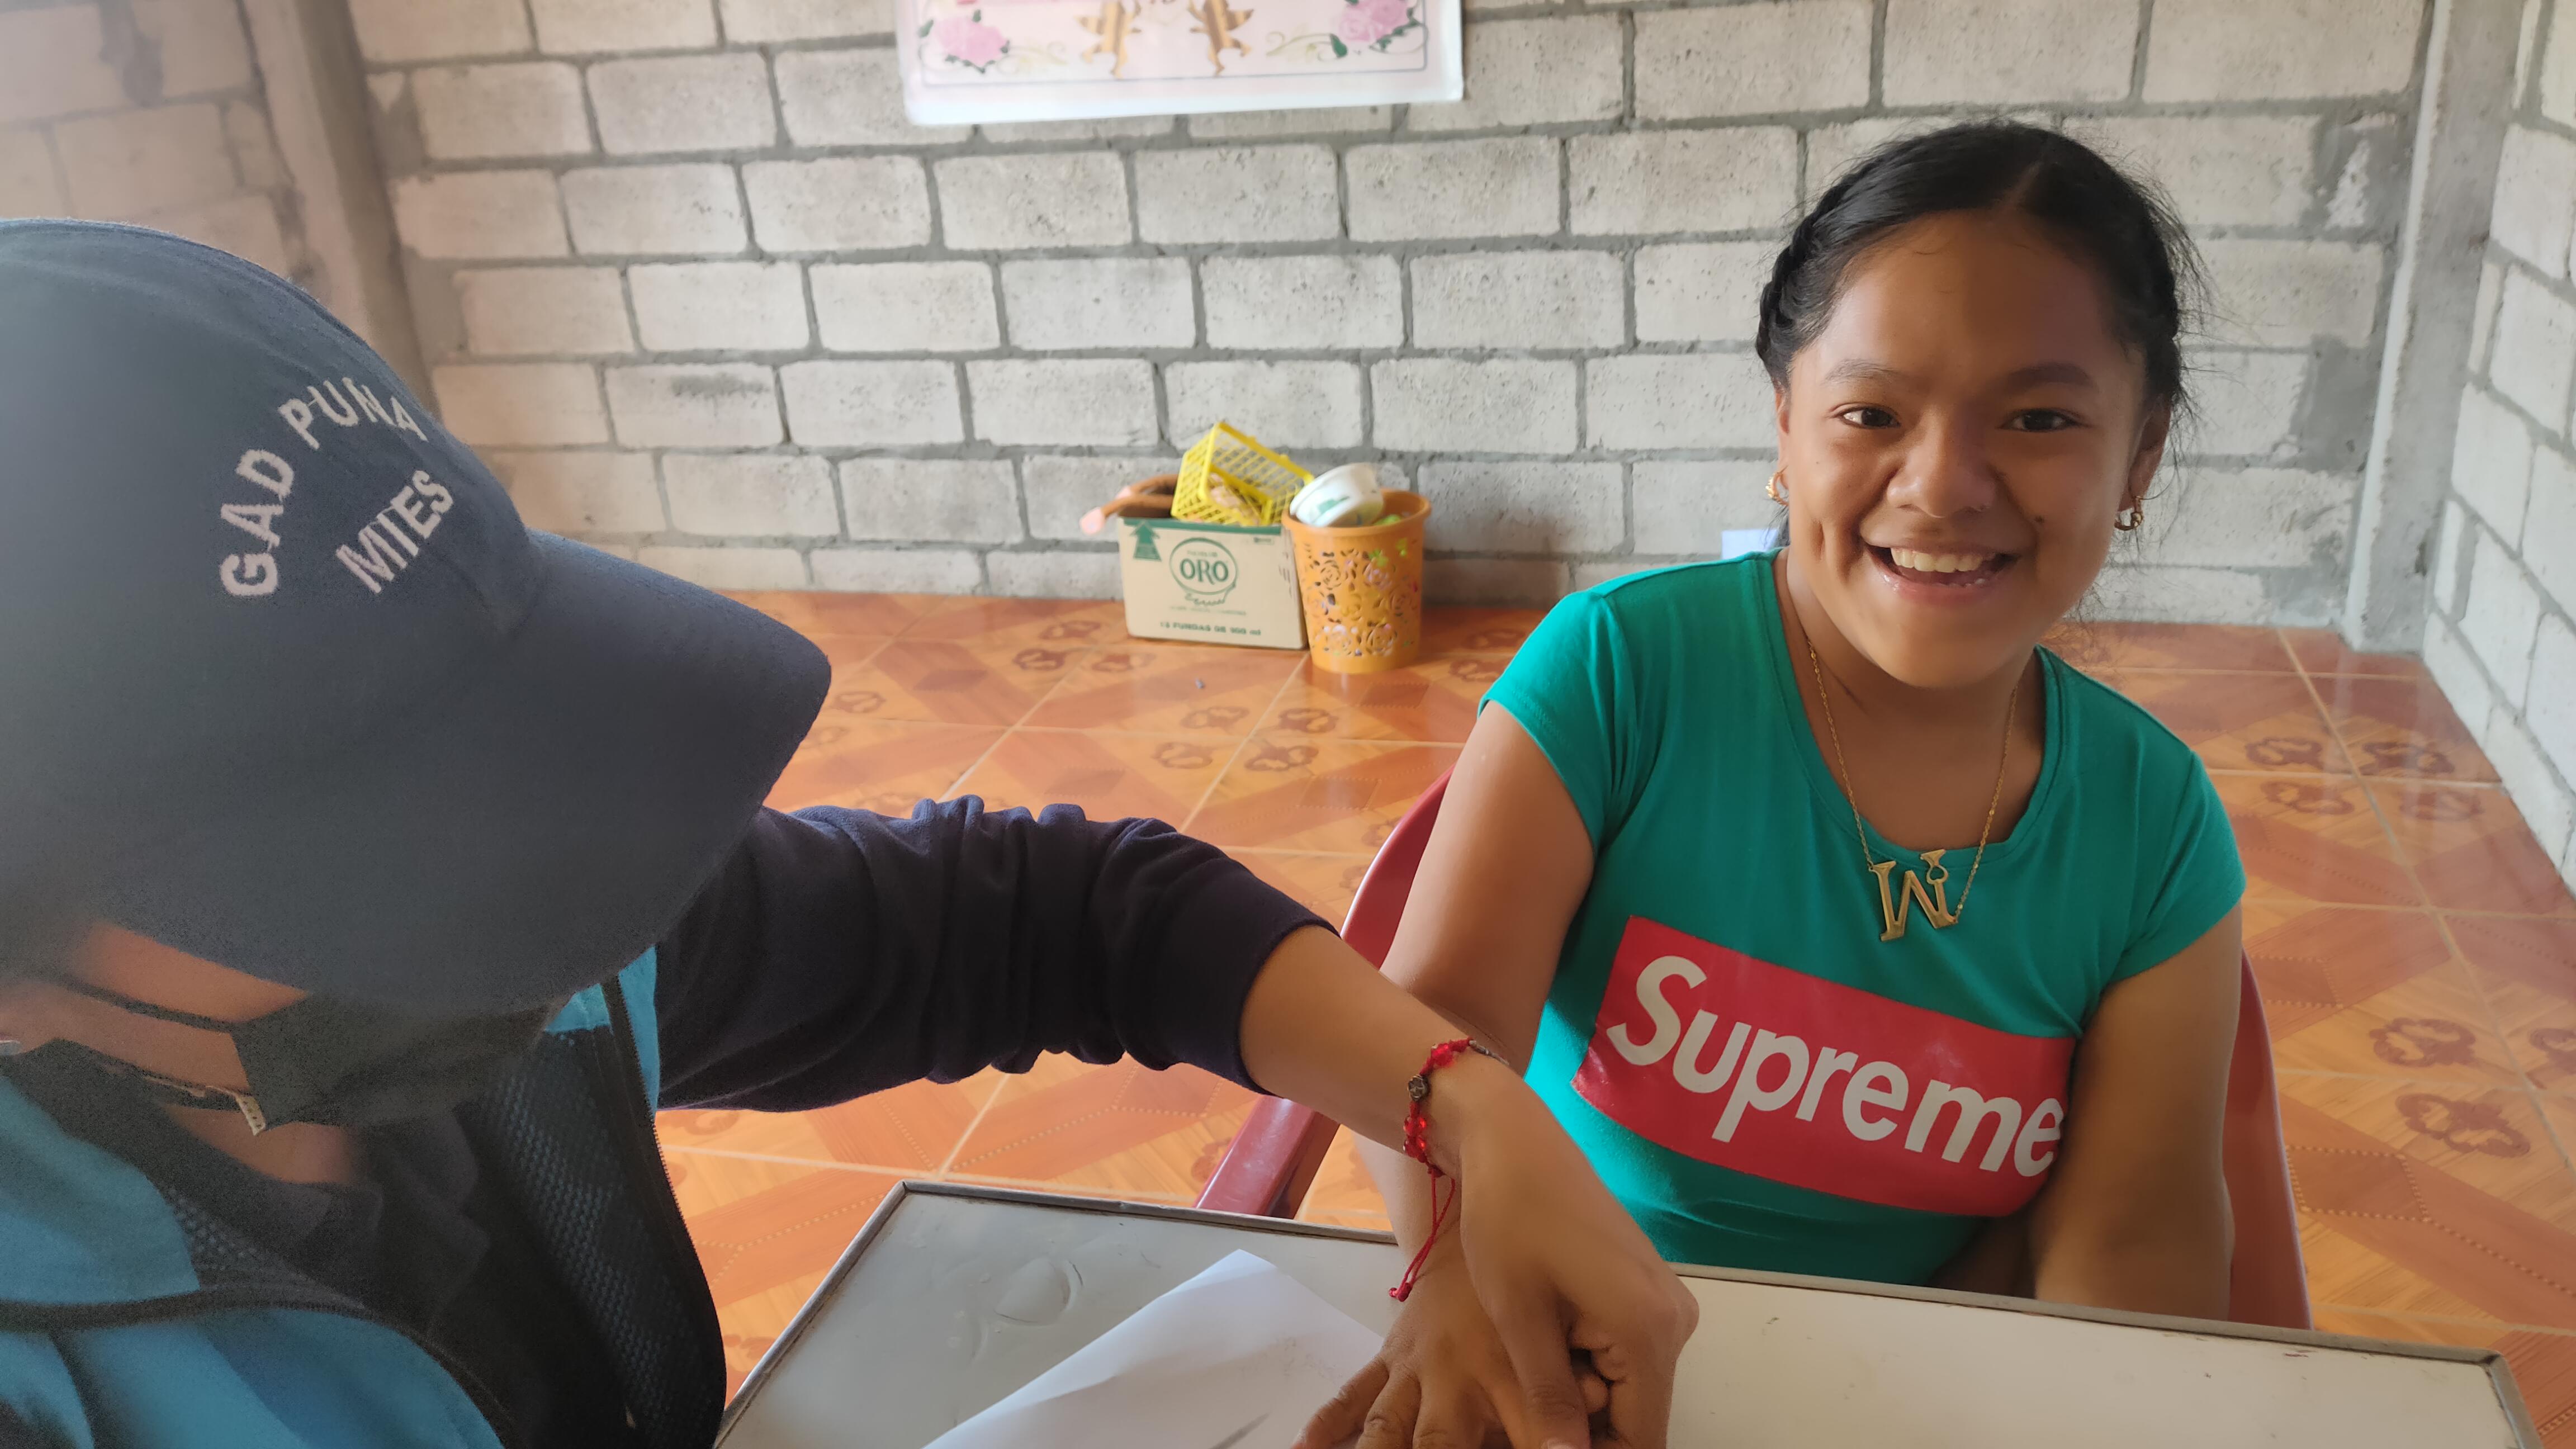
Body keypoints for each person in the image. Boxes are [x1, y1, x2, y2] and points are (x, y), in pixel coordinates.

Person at [0, 220, 1694, 1449]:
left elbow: (1056, 914)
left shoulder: (556, 941)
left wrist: (1461, 1102)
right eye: (371, 863)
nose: (524, 895)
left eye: (501, 755)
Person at [1302, 121, 2248, 1449]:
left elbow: (2132, 1247)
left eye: (2040, 419)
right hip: (1561, 1339)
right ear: (1786, 427)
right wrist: (1463, 1262)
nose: (1943, 485)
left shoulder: (2155, 828)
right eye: (1872, 414)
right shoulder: (1625, 673)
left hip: (1918, 1391)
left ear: (2141, 456)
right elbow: (1433, 1039)